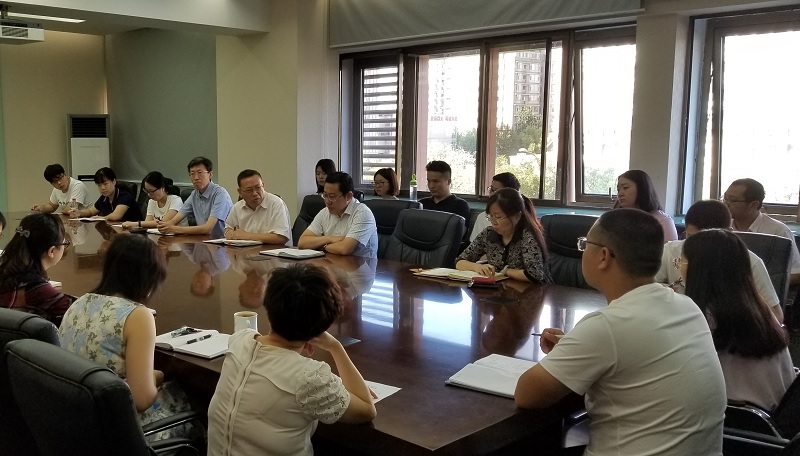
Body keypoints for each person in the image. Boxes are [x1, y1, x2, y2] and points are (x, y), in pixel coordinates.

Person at [515, 209, 726, 455]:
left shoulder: (606, 325)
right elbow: (639, 354)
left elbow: (527, 395)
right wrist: (574, 348)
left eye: (585, 245)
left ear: (603, 256)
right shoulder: (687, 306)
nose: (582, 251)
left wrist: (579, 347)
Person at [207, 263, 377, 456]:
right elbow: (366, 410)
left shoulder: (239, 340)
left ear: (269, 307)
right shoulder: (309, 378)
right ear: (322, 326)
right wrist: (335, 346)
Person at [58, 234, 195, 441]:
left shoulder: (78, 303)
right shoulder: (137, 316)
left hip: (76, 420)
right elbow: (141, 400)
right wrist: (157, 375)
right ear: (149, 277)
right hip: (116, 429)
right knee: (194, 402)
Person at [681, 229, 796, 412]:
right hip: (776, 415)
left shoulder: (705, 317)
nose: (680, 267)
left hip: (741, 420)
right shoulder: (758, 306)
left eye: (682, 261)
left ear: (699, 269)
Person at [655, 200, 783, 322]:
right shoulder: (671, 251)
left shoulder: (748, 261)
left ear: (729, 233)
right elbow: (648, 287)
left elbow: (776, 316)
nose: (697, 247)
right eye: (691, 237)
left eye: (708, 241)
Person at [456, 188, 552, 283]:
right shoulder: (488, 234)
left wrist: (505, 272)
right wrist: (477, 267)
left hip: (536, 290)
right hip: (501, 289)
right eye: (491, 216)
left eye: (498, 217)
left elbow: (534, 275)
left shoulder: (528, 236)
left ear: (517, 216)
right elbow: (459, 261)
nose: (494, 222)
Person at [724, 178, 800, 285]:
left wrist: (758, 284)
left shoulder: (777, 231)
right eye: (725, 199)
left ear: (754, 205)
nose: (726, 204)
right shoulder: (721, 227)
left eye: (733, 200)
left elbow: (795, 273)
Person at [0, 213, 72, 323]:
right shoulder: (38, 290)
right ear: (52, 251)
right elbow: (77, 315)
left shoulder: (6, 270)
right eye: (64, 243)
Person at [298, 172, 378, 258]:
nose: (327, 202)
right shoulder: (325, 212)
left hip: (359, 265)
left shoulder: (363, 213)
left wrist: (321, 246)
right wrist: (329, 238)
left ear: (349, 196)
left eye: (332, 197)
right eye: (325, 195)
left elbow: (344, 248)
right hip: (330, 263)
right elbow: (302, 243)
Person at [157, 157, 233, 238]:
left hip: (221, 242)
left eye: (200, 172)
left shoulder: (220, 194)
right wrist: (164, 225)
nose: (196, 177)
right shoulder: (194, 194)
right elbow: (174, 220)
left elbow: (208, 228)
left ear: (210, 174)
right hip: (203, 240)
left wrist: (174, 229)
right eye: (192, 173)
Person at [223, 169, 292, 245]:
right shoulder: (237, 207)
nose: (255, 193)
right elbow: (228, 228)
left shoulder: (276, 203)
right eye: (249, 190)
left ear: (263, 186)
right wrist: (230, 233)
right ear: (240, 192)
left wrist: (246, 236)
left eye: (258, 187)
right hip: (246, 251)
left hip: (274, 251)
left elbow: (281, 238)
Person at [615, 169, 678, 241]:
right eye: (618, 190)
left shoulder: (662, 222)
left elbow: (669, 248)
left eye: (625, 188)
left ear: (641, 189)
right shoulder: (617, 219)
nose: (620, 194)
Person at [67, 167, 144, 222]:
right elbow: (91, 211)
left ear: (114, 182)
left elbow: (116, 216)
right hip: (117, 232)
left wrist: (101, 218)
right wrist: (79, 213)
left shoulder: (124, 196)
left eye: (105, 184)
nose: (102, 188)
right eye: (99, 185)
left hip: (134, 234)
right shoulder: (104, 198)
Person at [470, 172, 520, 241]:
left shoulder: (522, 220)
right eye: (491, 190)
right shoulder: (483, 217)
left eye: (496, 191)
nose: (491, 194)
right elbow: (473, 244)